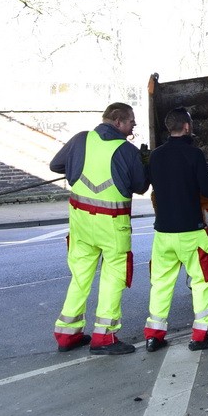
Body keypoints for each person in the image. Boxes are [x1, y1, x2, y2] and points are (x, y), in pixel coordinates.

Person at [50, 102, 149, 355]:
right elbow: (140, 186)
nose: (133, 126)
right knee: (113, 277)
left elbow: (56, 166)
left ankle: (66, 334)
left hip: (81, 222)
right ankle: (104, 337)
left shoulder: (81, 139)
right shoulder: (126, 150)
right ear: (118, 121)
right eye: (131, 122)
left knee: (80, 276)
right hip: (112, 224)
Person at [143, 107, 208, 353]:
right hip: (191, 233)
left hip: (163, 234)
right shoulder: (194, 154)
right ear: (187, 127)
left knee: (161, 284)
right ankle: (200, 336)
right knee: (202, 281)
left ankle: (154, 336)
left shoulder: (155, 156)